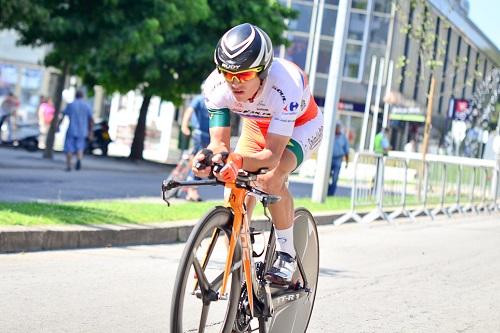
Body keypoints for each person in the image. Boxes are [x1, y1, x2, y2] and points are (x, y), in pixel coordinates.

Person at [192, 23, 323, 285]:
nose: (234, 82)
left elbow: (272, 155)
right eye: (228, 74)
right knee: (233, 187)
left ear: (262, 71)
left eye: (244, 74)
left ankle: (286, 254)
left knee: (270, 178)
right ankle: (242, 256)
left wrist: (238, 159)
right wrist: (210, 157)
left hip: (299, 127)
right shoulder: (216, 86)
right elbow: (220, 144)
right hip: (256, 125)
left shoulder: (286, 86)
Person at [180, 90, 210, 201]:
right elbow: (189, 111)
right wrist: (184, 125)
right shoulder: (199, 99)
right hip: (199, 134)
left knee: (204, 162)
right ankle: (191, 188)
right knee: (199, 161)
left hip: (209, 136)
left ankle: (191, 190)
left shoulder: (214, 101)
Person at [59, 90, 93, 171]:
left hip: (71, 130)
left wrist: (58, 125)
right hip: (82, 131)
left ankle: (69, 166)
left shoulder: (71, 105)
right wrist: (90, 131)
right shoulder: (87, 106)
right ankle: (78, 160)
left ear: (75, 96)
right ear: (82, 96)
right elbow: (91, 120)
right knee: (80, 147)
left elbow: (63, 116)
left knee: (69, 148)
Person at [328, 123, 349, 196]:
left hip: (338, 159)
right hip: (329, 158)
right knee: (327, 176)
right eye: (336, 128)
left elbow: (346, 151)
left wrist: (347, 162)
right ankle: (326, 191)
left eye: (338, 128)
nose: (337, 129)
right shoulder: (330, 135)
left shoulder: (343, 138)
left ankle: (331, 193)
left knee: (335, 177)